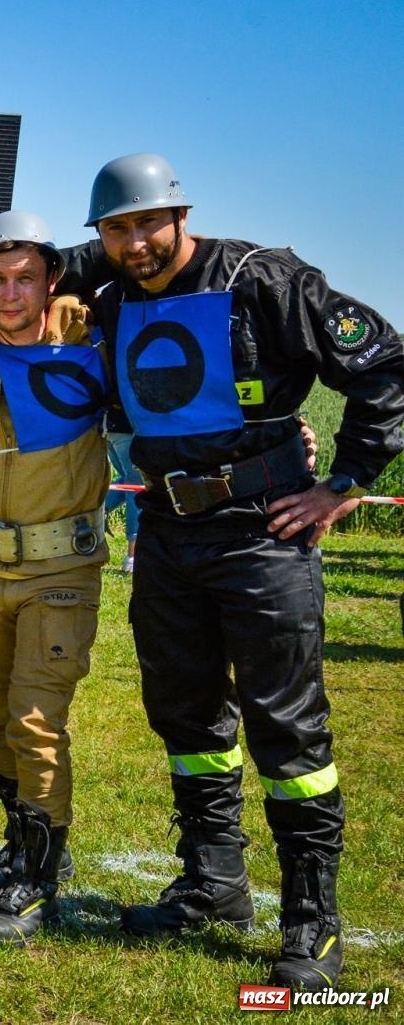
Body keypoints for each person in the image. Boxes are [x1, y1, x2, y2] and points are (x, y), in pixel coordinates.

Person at [90, 153, 403, 989]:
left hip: (262, 536)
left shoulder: (264, 279)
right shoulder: (111, 296)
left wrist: (345, 485)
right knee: (187, 717)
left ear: (180, 215)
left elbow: (382, 365)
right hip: (166, 534)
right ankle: (213, 884)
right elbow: (23, 267)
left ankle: (313, 925)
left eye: (148, 223)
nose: (136, 243)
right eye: (117, 230)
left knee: (288, 730)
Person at [0, 211, 106, 945]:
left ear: (51, 279)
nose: (11, 292)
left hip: (60, 569)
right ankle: (25, 849)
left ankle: (35, 883)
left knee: (37, 722)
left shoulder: (95, 340)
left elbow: (183, 383)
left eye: (26, 277)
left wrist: (284, 433)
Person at [104, 409, 140, 572]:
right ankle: (133, 556)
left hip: (109, 427)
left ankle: (89, 515)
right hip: (127, 427)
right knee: (136, 486)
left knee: (128, 482)